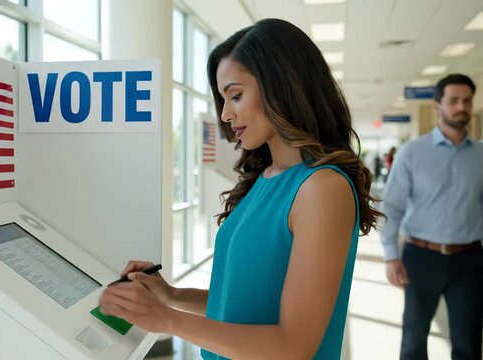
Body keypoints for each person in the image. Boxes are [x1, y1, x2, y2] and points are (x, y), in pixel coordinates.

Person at [99, 18, 382, 359]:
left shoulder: (322, 188)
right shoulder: (262, 180)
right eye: (223, 99)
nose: (226, 114)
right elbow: (245, 306)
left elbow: (294, 346)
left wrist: (169, 320)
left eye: (235, 95)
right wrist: (171, 296)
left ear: (281, 86)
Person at [380, 73, 483, 360]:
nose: (461, 106)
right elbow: (392, 206)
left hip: (470, 260)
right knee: (414, 339)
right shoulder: (413, 152)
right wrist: (391, 256)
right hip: (421, 258)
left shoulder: (481, 156)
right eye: (453, 100)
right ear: (438, 105)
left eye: (467, 101)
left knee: (469, 342)